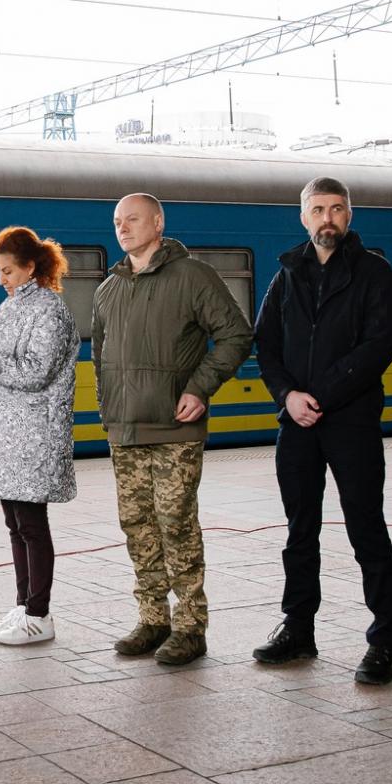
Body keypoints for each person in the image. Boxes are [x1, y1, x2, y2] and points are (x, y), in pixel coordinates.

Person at [249, 176, 392, 685]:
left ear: (349, 215)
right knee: (299, 532)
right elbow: (265, 344)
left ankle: (384, 641)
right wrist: (289, 397)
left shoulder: (374, 272)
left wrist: (323, 395)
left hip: (352, 423)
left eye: (337, 209)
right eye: (318, 209)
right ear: (303, 216)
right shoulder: (287, 273)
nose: (328, 218)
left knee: (367, 530)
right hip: (296, 424)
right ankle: (298, 628)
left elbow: (378, 345)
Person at [91, 193, 252, 667]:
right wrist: (108, 410)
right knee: (138, 526)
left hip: (175, 429)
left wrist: (200, 388)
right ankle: (152, 618)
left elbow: (237, 334)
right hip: (125, 430)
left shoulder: (192, 277)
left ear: (158, 223)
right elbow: (99, 359)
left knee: (175, 523)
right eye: (118, 221)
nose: (123, 227)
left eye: (133, 219)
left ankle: (190, 626)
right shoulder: (108, 289)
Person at [0, 227, 81, 647]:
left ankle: (40, 614)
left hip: (31, 435)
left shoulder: (48, 310)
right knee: (15, 524)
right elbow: (1, 365)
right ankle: (24, 606)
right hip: (8, 434)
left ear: (31, 267)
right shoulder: (11, 306)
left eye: (7, 271)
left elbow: (35, 372)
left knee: (31, 524)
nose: (1, 279)